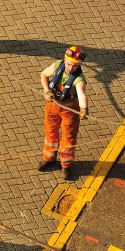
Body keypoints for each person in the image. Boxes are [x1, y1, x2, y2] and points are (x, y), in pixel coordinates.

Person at [39, 46, 89, 181]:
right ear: (64, 60)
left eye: (74, 66)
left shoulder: (79, 79)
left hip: (69, 108)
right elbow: (43, 74)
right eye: (68, 64)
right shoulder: (57, 66)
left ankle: (66, 165)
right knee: (50, 132)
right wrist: (46, 90)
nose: (70, 68)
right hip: (52, 104)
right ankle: (49, 159)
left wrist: (83, 108)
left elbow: (81, 94)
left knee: (68, 137)